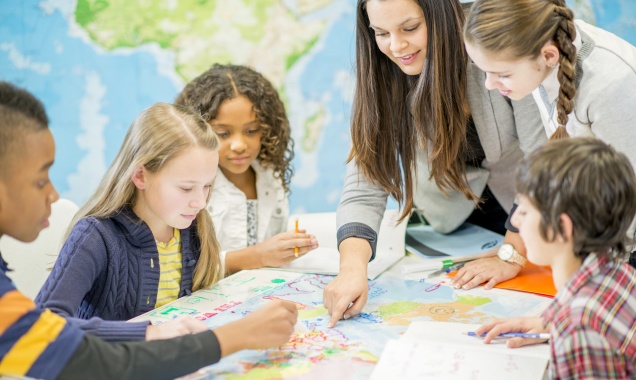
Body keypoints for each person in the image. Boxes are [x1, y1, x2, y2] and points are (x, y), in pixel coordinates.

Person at [0, 81, 297, 379]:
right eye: (185, 187)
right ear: (140, 175)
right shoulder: (95, 235)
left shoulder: (192, 227)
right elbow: (48, 324)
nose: (200, 200)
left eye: (208, 186)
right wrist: (149, 331)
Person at [323, 0, 545, 327]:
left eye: (410, 28)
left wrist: (512, 253)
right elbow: (364, 184)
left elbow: (544, 160)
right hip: (458, 224)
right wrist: (352, 270)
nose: (396, 46)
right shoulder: (379, 72)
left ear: (441, 14)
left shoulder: (494, 42)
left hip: (529, 207)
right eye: (381, 33)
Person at [453, 0, 636, 290]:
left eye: (502, 74)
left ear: (549, 55)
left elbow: (631, 201)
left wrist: (587, 299)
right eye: (483, 70)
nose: (489, 85)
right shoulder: (541, 62)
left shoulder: (612, 85)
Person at [475, 137, 636, 378]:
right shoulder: (620, 273)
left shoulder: (578, 327)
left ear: (562, 228)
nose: (515, 221)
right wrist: (549, 323)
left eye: (525, 211)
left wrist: (565, 327)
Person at [175, 64, 318, 274]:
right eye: (223, 133)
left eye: (251, 130)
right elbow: (181, 269)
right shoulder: (189, 189)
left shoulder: (269, 176)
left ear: (268, 129)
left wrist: (286, 249)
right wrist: (258, 256)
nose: (239, 145)